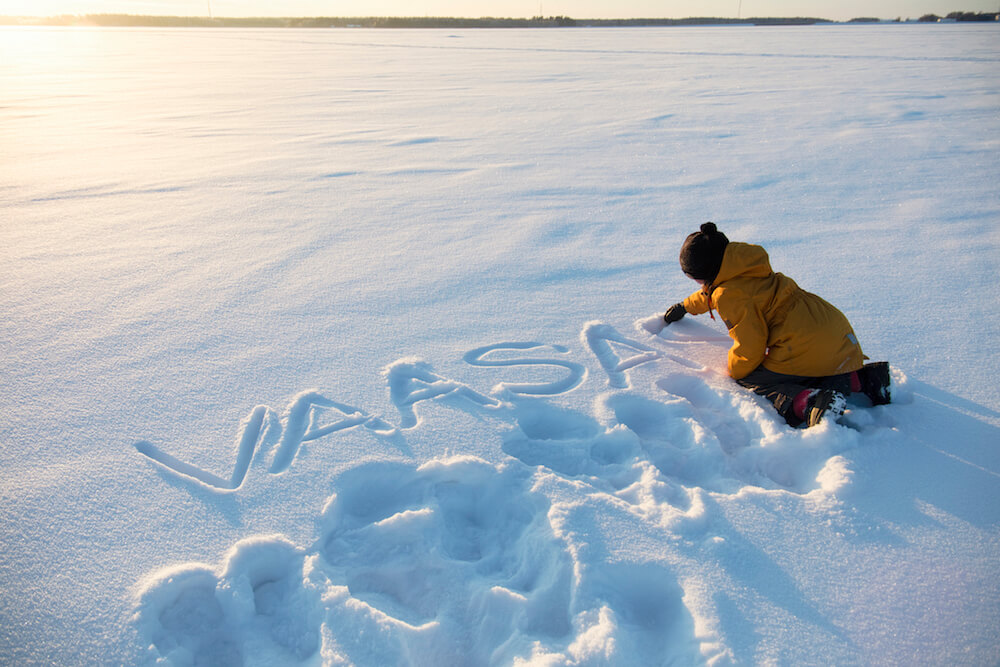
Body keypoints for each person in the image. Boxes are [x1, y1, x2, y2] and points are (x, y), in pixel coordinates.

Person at [662, 222, 891, 427]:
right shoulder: (747, 267)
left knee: (752, 377)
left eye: (696, 279)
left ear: (706, 274)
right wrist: (685, 306)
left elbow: (751, 346)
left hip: (802, 343)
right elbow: (714, 294)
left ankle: (809, 403)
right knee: (811, 361)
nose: (699, 285)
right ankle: (863, 379)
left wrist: (735, 371)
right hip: (832, 327)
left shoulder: (728, 295)